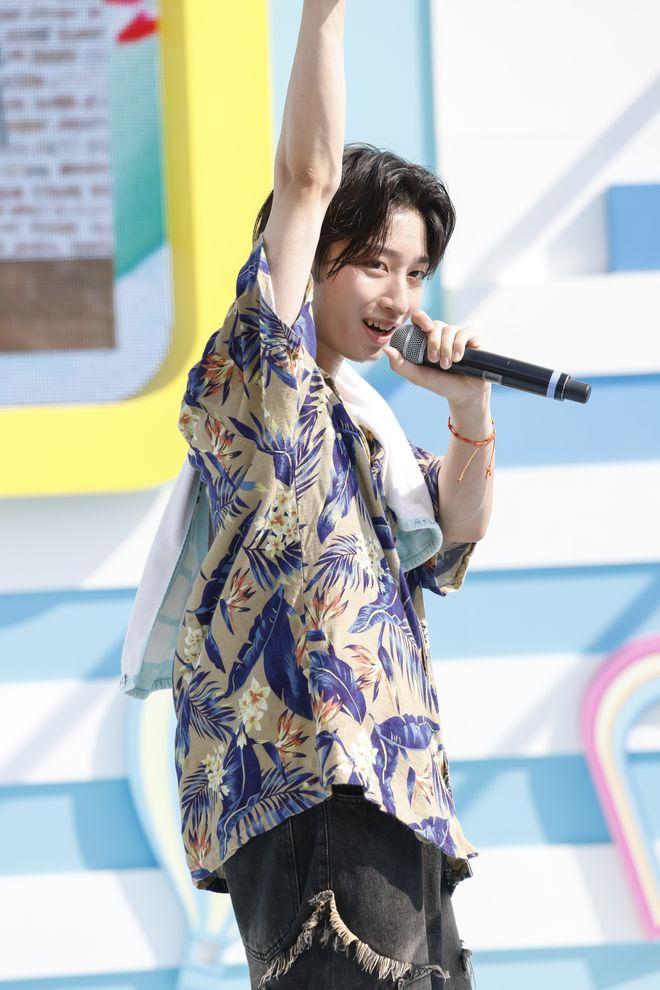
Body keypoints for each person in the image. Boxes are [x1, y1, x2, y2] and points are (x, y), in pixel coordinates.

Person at [171, 2, 494, 986]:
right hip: (313, 781)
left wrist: (470, 407)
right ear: (312, 257)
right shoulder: (263, 374)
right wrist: (325, 15)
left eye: (416, 272)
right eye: (376, 263)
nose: (400, 296)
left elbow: (457, 533)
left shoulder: (368, 424)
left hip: (401, 796)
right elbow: (307, 178)